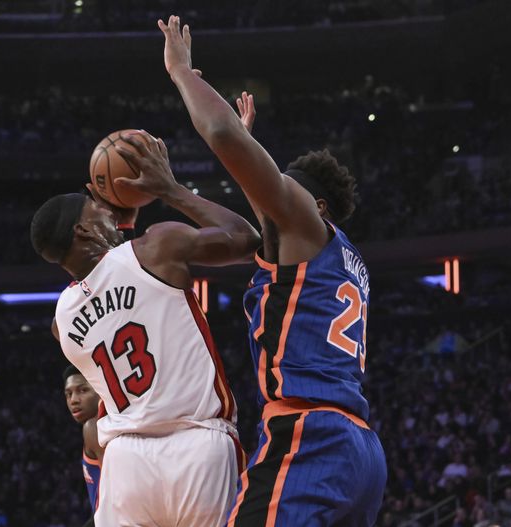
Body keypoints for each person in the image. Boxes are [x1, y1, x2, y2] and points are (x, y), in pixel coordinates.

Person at [158, 15, 387, 526]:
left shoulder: (305, 222)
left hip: (311, 437)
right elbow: (257, 224)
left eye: (284, 186)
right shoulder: (334, 254)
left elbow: (217, 131)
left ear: (319, 205)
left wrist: (183, 73)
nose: (274, 192)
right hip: (358, 449)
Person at [30, 133, 260, 527]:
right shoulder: (156, 247)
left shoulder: (62, 321)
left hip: (125, 464)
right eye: (96, 210)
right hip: (196, 446)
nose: (107, 211)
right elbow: (246, 240)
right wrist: (169, 190)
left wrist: (119, 225)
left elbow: (108, 283)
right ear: (84, 232)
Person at [63, 364, 104, 527]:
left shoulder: (93, 427)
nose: (73, 400)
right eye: (68, 394)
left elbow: (117, 493)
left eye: (83, 390)